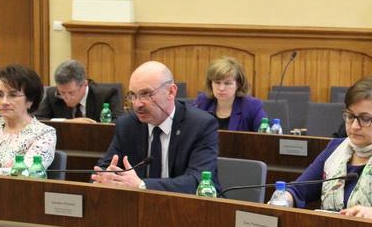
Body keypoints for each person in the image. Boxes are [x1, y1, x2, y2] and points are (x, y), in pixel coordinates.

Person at [275, 77, 372, 223]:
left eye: (365, 119)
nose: (354, 126)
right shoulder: (335, 148)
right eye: (350, 116)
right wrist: (284, 198)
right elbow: (299, 190)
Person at [91, 61, 219, 193]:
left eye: (146, 94)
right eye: (133, 95)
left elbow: (198, 182)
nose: (137, 104)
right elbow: (102, 170)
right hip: (138, 204)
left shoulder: (200, 125)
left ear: (171, 92)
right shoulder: (128, 125)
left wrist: (142, 185)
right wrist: (104, 178)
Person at [35, 59, 123, 123]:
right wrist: (67, 122)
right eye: (62, 92)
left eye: (71, 93)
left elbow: (118, 123)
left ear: (85, 84)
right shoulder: (52, 94)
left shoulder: (107, 95)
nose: (66, 97)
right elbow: (37, 120)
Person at [193, 56, 266, 131]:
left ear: (238, 84)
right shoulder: (202, 102)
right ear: (210, 83)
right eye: (217, 82)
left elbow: (265, 135)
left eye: (227, 83)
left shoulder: (251, 106)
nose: (221, 88)